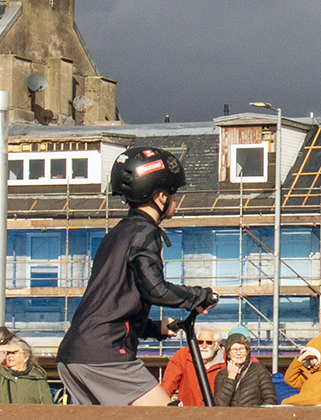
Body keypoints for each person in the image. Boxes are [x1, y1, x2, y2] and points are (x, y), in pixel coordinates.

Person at [56, 145, 216, 406]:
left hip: (74, 352)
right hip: (105, 354)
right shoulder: (145, 232)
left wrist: (154, 328)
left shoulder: (117, 233)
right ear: (161, 196)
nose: (175, 200)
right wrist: (200, 296)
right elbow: (155, 289)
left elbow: (113, 299)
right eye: (174, 194)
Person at [0, 332, 52, 404]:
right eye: (8, 353)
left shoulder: (37, 380)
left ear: (26, 357)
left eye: (14, 352)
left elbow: (46, 407)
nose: (10, 355)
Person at [160, 326, 223, 406]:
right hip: (188, 413)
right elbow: (169, 383)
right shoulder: (183, 355)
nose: (204, 346)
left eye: (209, 342)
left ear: (217, 345)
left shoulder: (227, 360)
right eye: (200, 342)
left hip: (217, 414)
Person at [214, 333, 278, 406]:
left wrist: (257, 414)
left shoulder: (258, 370)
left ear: (247, 351)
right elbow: (219, 405)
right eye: (234, 349)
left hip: (254, 416)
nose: (238, 353)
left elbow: (270, 399)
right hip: (231, 416)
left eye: (242, 349)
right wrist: (230, 379)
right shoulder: (222, 375)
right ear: (229, 353)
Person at [282, 335, 321, 406]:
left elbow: (315, 398)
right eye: (310, 359)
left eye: (315, 358)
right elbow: (289, 379)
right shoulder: (310, 373)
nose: (312, 362)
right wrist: (300, 359)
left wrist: (287, 401)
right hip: (309, 412)